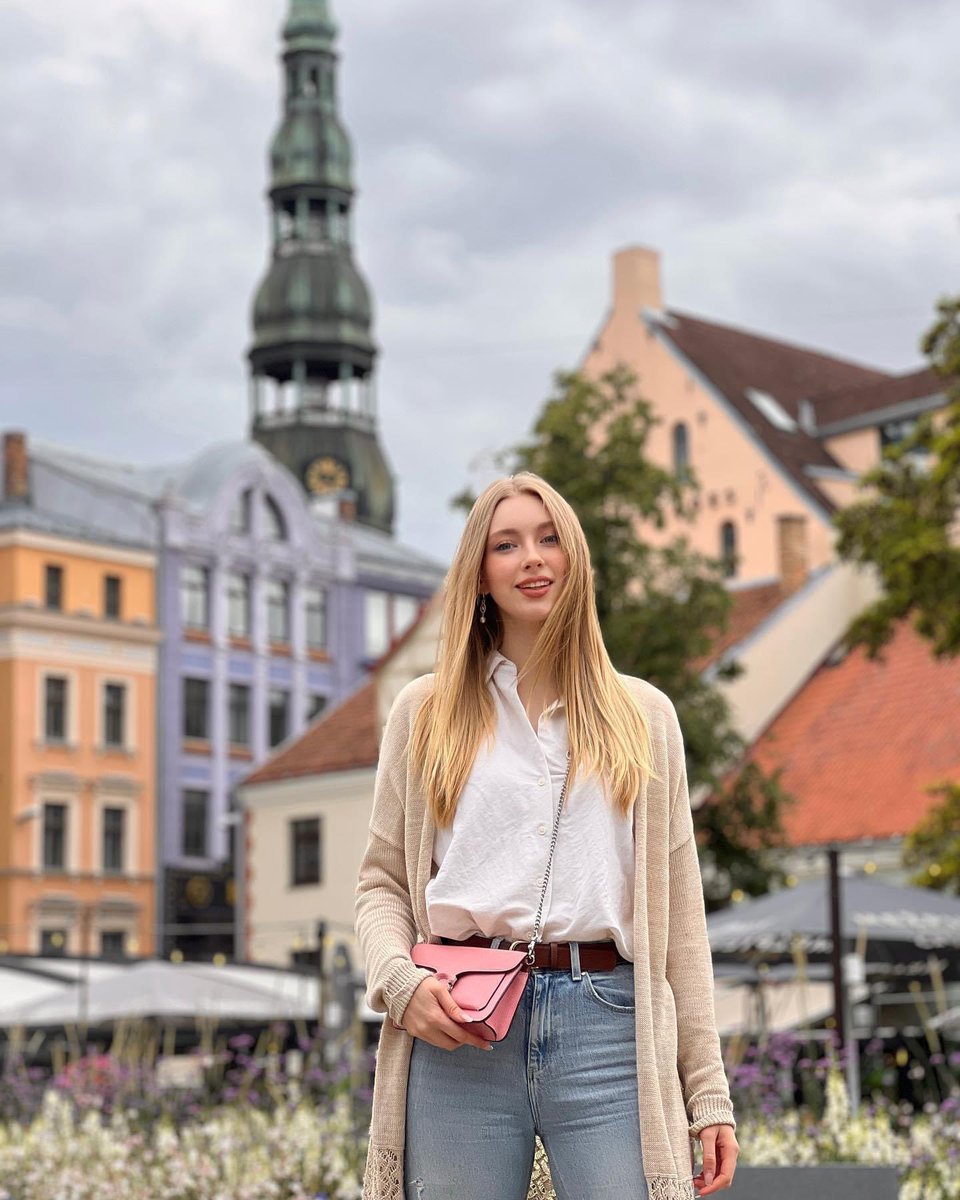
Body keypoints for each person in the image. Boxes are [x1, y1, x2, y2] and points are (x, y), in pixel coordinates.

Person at [356, 473, 738, 1200]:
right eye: (507, 544)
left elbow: (683, 921)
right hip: (462, 1024)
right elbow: (379, 883)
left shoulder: (644, 716)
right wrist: (400, 985)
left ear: (576, 559)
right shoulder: (423, 712)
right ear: (480, 573)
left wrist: (708, 1094)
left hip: (610, 1027)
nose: (532, 558)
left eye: (548, 537)